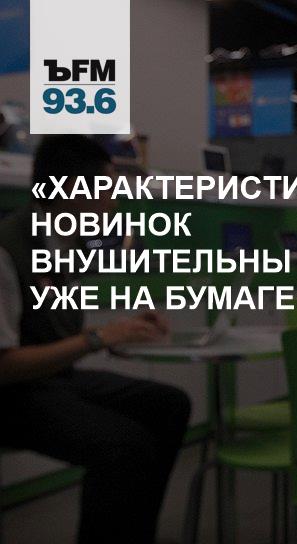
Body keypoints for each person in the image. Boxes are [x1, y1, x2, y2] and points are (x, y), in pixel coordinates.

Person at [0, 135, 190, 543]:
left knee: (169, 406)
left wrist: (124, 329)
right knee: (124, 446)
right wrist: (98, 338)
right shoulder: (7, 250)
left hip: (51, 382)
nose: (114, 203)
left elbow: (53, 328)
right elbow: (5, 366)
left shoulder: (65, 243)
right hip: (11, 396)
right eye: (107, 190)